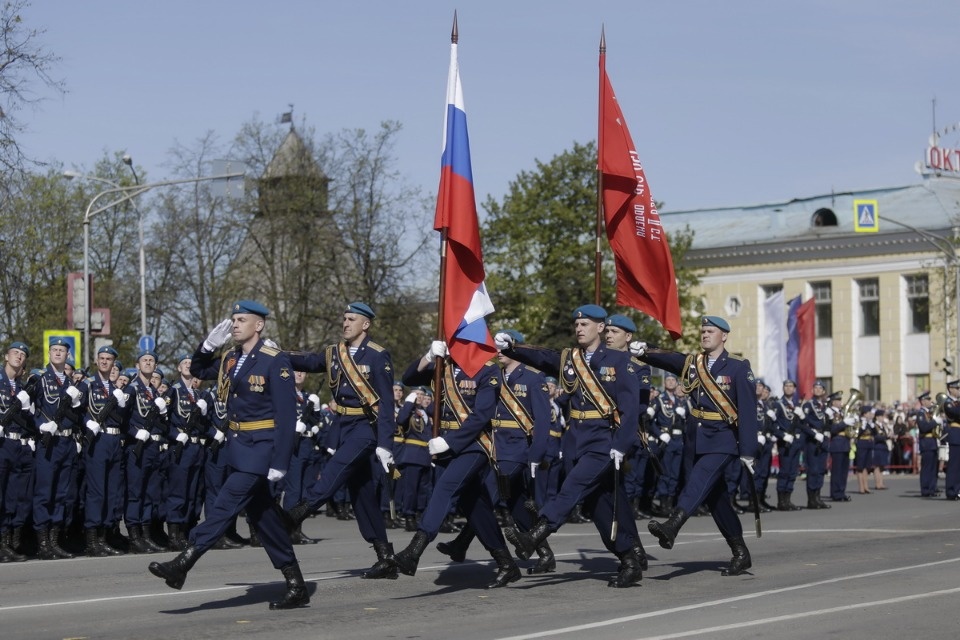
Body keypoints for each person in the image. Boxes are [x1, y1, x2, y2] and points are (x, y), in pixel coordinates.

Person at [149, 300, 308, 610]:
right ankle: (296, 584)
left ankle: (184, 562)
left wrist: (280, 462)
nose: (234, 324)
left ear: (258, 325)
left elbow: (287, 417)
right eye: (233, 319)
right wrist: (207, 346)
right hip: (238, 446)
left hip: (261, 449)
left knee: (224, 504)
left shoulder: (274, 361)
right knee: (265, 520)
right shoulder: (230, 358)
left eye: (242, 319)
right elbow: (197, 369)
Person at [499, 304, 644, 588]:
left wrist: (621, 444)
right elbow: (542, 356)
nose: (579, 329)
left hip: (603, 441)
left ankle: (536, 535)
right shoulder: (570, 359)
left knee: (571, 488)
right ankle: (628, 559)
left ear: (600, 328)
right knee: (601, 509)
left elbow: (630, 408)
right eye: (577, 325)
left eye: (585, 324)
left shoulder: (618, 361)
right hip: (576, 440)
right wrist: (514, 348)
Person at [387, 340, 522, 589]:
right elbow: (408, 378)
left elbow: (482, 414)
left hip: (473, 446)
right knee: (475, 506)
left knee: (445, 489)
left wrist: (450, 443)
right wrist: (428, 356)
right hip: (445, 447)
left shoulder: (487, 370)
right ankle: (506, 563)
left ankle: (414, 551)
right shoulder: (443, 365)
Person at [282, 302, 398, 580]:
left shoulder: (378, 355)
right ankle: (386, 557)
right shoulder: (334, 353)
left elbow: (384, 403)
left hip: (365, 427)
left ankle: (297, 513)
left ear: (365, 324)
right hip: (343, 424)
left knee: (337, 467)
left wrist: (385, 443)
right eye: (344, 318)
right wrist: (274, 353)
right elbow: (308, 362)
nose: (345, 323)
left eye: (351, 319)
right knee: (362, 494)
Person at [639, 316, 759, 577]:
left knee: (699, 478)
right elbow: (668, 359)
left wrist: (748, 451)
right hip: (697, 439)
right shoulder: (693, 364)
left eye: (710, 331)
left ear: (724, 335)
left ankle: (673, 525)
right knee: (716, 499)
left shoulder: (739, 367)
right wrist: (644, 350)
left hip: (724, 438)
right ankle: (740, 552)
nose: (705, 335)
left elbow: (749, 411)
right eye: (703, 331)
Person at [32, 337, 85, 560]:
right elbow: (30, 408)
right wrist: (40, 426)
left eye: (62, 350)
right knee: (45, 492)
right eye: (54, 349)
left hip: (66, 441)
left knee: (62, 493)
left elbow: (78, 415)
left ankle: (55, 540)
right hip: (49, 441)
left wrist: (76, 402)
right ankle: (43, 542)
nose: (57, 353)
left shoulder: (71, 383)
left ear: (67, 355)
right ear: (49, 353)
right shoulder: (40, 379)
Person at [81, 345, 129, 557]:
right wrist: (86, 423)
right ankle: (93, 539)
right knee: (97, 491)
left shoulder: (115, 390)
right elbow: (78, 410)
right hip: (98, 439)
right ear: (96, 361)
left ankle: (105, 536)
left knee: (111, 491)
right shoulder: (88, 385)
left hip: (114, 439)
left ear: (113, 363)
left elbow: (123, 418)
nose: (104, 361)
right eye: (101, 358)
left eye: (108, 359)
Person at [122, 349, 169, 554]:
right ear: (138, 364)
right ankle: (134, 537)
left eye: (151, 361)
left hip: (152, 447)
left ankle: (146, 534)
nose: (148, 363)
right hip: (136, 447)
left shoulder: (153, 391)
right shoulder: (132, 389)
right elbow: (121, 418)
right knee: (135, 492)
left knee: (150, 492)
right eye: (145, 360)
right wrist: (134, 432)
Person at [162, 355, 208, 550]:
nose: (188, 367)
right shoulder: (173, 392)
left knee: (193, 492)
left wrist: (205, 414)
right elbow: (163, 422)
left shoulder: (200, 395)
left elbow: (206, 425)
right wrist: (174, 435)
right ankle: (174, 534)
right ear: (179, 368)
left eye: (191, 364)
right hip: (181, 446)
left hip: (197, 447)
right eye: (185, 364)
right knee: (178, 491)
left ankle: (187, 531)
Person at [0, 341, 34, 562]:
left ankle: (7, 543)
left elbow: (30, 421)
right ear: (6, 356)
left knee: (13, 496)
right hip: (1, 443)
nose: (18, 357)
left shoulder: (22, 389)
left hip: (17, 445)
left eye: (22, 355)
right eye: (15, 353)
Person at [770, 380, 803, 511]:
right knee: (784, 472)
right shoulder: (778, 405)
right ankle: (781, 502)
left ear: (794, 389)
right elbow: (772, 425)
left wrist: (802, 418)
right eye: (786, 386)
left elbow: (799, 425)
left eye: (791, 386)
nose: (788, 388)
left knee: (793, 472)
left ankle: (788, 500)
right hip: (785, 443)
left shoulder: (796, 405)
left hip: (795, 443)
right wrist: (783, 435)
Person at [799, 380, 831, 509]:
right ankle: (811, 500)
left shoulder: (824, 406)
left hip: (823, 440)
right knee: (813, 470)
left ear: (824, 391)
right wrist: (814, 434)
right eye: (815, 387)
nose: (818, 390)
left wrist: (827, 430)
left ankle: (818, 497)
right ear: (812, 390)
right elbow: (803, 425)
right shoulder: (808, 405)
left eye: (820, 388)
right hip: (812, 441)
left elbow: (826, 423)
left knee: (821, 470)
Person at [827, 390, 856, 502]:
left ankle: (841, 492)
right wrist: (845, 423)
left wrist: (853, 423)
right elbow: (832, 429)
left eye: (840, 400)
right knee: (836, 471)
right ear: (833, 402)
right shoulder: (830, 412)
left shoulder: (843, 412)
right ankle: (835, 493)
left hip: (845, 443)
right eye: (838, 400)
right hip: (837, 442)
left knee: (844, 471)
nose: (840, 402)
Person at [915, 392, 941, 498]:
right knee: (927, 468)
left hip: (933, 443)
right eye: (928, 399)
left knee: (933, 468)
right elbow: (924, 427)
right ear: (923, 401)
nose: (930, 401)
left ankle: (932, 488)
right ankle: (925, 490)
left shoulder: (930, 413)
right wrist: (935, 422)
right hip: (926, 443)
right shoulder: (921, 414)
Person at [942, 379, 960, 501]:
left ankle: (957, 490)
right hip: (955, 434)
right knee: (954, 465)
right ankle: (951, 491)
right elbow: (955, 413)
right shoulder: (948, 402)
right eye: (957, 389)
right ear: (951, 389)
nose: (959, 391)